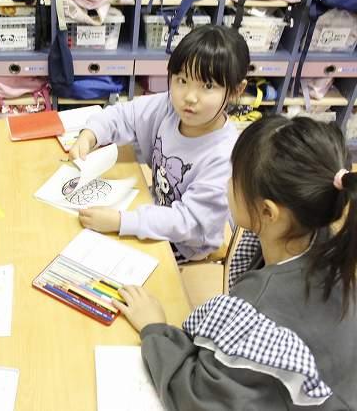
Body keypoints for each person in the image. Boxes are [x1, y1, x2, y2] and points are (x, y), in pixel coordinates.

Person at [113, 115, 357, 410]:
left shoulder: (259, 310)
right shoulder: (328, 245)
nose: (227, 183)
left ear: (268, 212)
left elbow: (196, 398)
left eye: (235, 177)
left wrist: (154, 328)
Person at [69, 25, 250, 262]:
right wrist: (91, 134)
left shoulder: (224, 156)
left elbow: (189, 223)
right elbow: (125, 114)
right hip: (154, 213)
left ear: (236, 90)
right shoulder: (170, 107)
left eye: (207, 86)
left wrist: (122, 221)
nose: (189, 97)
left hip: (186, 245)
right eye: (182, 80)